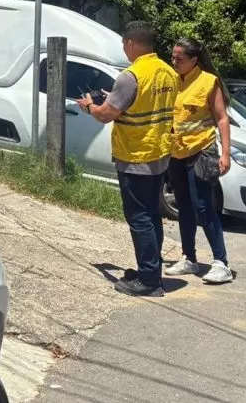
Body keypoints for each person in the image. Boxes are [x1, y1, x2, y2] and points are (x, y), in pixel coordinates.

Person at [76, 21, 178, 297]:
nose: (124, 49)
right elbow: (143, 103)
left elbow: (105, 115)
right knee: (152, 215)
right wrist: (116, 100)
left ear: (131, 44)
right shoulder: (167, 72)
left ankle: (148, 281)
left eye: (124, 45)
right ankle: (150, 270)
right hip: (159, 153)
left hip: (136, 155)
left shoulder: (130, 76)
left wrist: (89, 106)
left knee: (140, 218)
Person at [164, 38, 234, 284]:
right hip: (176, 153)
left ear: (194, 60)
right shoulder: (171, 80)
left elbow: (222, 119)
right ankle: (189, 258)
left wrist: (225, 154)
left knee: (203, 207)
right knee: (184, 208)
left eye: (179, 59)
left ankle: (221, 262)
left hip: (201, 151)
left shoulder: (208, 82)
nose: (174, 62)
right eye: (173, 57)